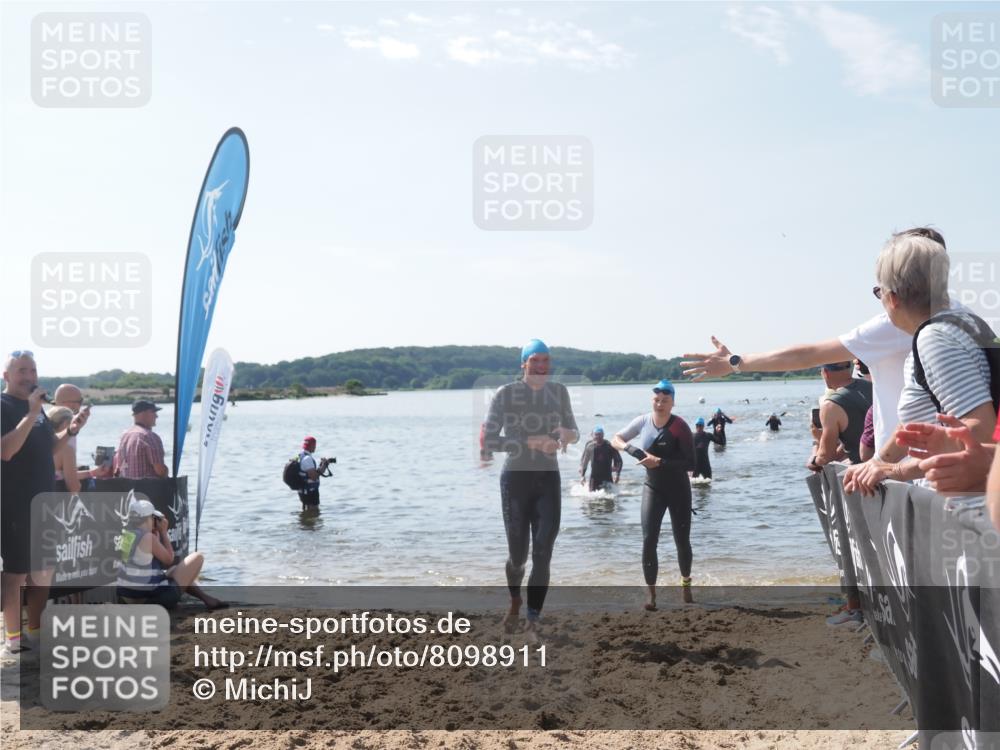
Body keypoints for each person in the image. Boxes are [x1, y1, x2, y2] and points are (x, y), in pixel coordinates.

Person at [680, 227, 952, 475]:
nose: (883, 302)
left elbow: (805, 355)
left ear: (896, 293)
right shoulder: (963, 318)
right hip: (940, 474)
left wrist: (735, 363)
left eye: (881, 291)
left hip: (912, 479)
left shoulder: (897, 326)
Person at [850, 233, 997, 491]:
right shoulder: (966, 323)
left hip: (960, 507)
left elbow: (980, 429)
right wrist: (878, 462)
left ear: (893, 297)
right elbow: (918, 425)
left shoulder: (935, 339)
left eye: (879, 292)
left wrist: (898, 471)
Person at [482, 339, 579, 637]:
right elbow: (489, 441)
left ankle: (533, 618)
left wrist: (568, 434)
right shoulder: (506, 394)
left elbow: (574, 432)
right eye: (535, 360)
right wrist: (529, 442)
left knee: (543, 552)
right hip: (516, 481)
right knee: (518, 557)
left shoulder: (559, 392)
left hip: (548, 479)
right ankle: (515, 601)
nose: (541, 366)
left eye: (546, 360)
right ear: (523, 363)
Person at [1, 351, 83, 660]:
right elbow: (6, 451)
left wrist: (71, 431)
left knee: (43, 573)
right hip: (14, 504)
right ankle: (13, 638)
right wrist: (30, 414)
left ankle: (36, 633)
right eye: (21, 370)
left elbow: (50, 449)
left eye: (32, 370)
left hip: (44, 504)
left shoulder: (37, 411)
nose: (29, 376)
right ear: (6, 375)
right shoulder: (5, 406)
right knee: (16, 574)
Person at [611, 379, 695, 609]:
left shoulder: (680, 426)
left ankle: (686, 583)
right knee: (649, 540)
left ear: (672, 403)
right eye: (656, 400)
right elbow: (616, 439)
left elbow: (691, 463)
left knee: (682, 541)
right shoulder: (643, 421)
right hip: (653, 488)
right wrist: (635, 451)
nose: (660, 404)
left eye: (665, 401)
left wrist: (660, 461)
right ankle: (651, 594)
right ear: (652, 401)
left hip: (679, 489)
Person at [117, 499, 224, 609]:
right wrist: (163, 532)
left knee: (173, 570)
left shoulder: (127, 534)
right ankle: (196, 601)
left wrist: (155, 536)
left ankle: (207, 599)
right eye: (154, 518)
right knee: (198, 557)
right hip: (147, 599)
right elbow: (168, 559)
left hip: (127, 596)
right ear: (149, 518)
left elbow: (142, 560)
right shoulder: (148, 538)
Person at [807, 362, 873, 470]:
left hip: (862, 474)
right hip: (888, 462)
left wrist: (816, 444)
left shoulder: (830, 405)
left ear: (825, 373)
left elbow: (825, 457)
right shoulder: (872, 386)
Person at [114, 400, 168, 480]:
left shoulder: (125, 436)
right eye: (154, 412)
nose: (156, 416)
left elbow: (119, 468)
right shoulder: (149, 436)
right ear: (144, 413)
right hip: (148, 489)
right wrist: (166, 471)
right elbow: (160, 471)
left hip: (129, 489)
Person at [579, 426, 622, 492]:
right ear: (592, 435)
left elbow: (619, 460)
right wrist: (582, 476)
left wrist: (617, 474)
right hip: (594, 477)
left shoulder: (610, 446)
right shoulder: (590, 447)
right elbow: (585, 461)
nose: (598, 437)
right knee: (591, 497)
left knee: (610, 496)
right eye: (596, 435)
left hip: (607, 476)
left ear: (603, 435)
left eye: (600, 434)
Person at [297, 436, 332, 509]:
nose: (315, 447)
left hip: (303, 490)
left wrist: (321, 465)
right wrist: (325, 465)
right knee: (314, 513)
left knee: (307, 513)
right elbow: (314, 476)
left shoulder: (300, 456)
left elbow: (308, 473)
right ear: (312, 446)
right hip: (310, 491)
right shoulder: (308, 459)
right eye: (315, 445)